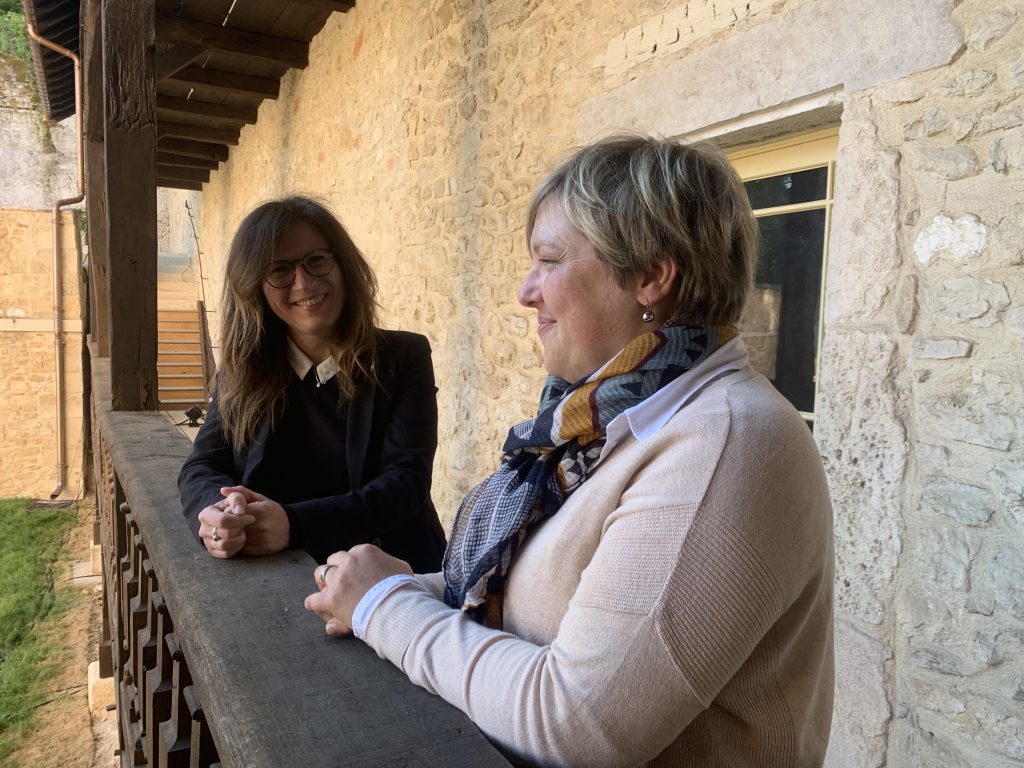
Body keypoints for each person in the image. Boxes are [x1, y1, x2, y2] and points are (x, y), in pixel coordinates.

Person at [305, 136, 835, 767]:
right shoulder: (600, 424)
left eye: (549, 260)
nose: (527, 291)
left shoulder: (726, 443)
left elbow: (576, 722)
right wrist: (388, 590)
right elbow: (540, 609)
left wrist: (385, 607)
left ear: (650, 275)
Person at [178, 196, 446, 571]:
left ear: (342, 265)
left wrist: (293, 524)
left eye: (317, 260)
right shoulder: (244, 370)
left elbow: (406, 484)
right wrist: (216, 512)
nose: (304, 284)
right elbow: (202, 464)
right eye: (280, 270)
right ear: (256, 287)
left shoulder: (404, 357)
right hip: (275, 579)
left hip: (391, 576)